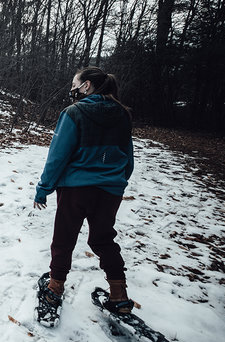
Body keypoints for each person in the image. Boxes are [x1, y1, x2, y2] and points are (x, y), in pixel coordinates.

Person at [33, 66, 135, 314]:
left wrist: (43, 188)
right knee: (103, 238)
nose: (72, 90)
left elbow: (57, 155)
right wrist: (117, 180)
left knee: (64, 237)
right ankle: (119, 295)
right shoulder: (123, 114)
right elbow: (128, 157)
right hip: (110, 190)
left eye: (75, 84)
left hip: (75, 189)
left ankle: (55, 288)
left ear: (86, 85)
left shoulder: (73, 113)